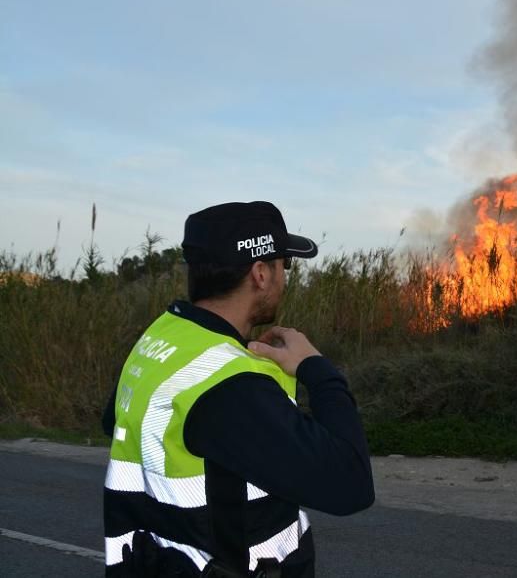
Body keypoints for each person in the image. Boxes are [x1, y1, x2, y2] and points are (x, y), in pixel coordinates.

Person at [102, 201, 374, 577]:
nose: (284, 278)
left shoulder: (162, 336)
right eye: (284, 266)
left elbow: (119, 422)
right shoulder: (232, 385)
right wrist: (317, 368)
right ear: (260, 273)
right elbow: (351, 485)